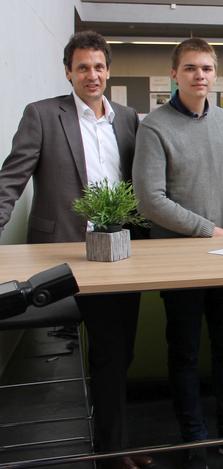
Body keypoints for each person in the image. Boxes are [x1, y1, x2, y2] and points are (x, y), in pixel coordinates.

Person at [0, 31, 150, 469]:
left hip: (120, 250)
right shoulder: (43, 115)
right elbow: (12, 179)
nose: (92, 74)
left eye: (99, 66)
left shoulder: (127, 119)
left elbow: (140, 183)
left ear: (108, 70)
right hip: (65, 252)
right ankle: (113, 452)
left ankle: (113, 443)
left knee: (121, 352)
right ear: (68, 71)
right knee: (109, 347)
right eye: (82, 67)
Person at [133, 38, 223, 468]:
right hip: (178, 257)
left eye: (208, 69)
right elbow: (150, 200)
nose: (201, 76)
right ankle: (193, 439)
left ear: (215, 74)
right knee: (185, 349)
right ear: (175, 73)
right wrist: (207, 229)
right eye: (192, 68)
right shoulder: (154, 127)